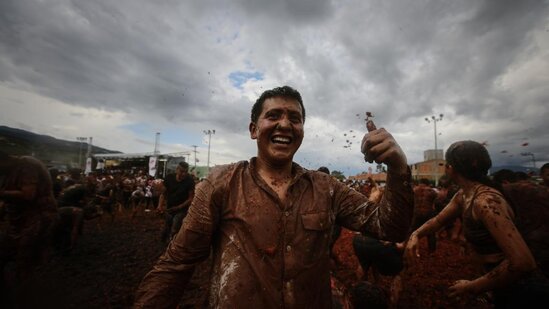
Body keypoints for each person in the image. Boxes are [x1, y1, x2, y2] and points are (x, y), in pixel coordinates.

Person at [134, 85, 413, 308]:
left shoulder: (326, 187)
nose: (285, 124)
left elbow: (389, 226)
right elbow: (176, 264)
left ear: (301, 131)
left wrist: (398, 168)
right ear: (254, 130)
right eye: (273, 116)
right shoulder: (222, 183)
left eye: (295, 118)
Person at [404, 140, 548, 308]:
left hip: (521, 290)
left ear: (450, 168)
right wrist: (417, 234)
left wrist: (472, 286)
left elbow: (522, 262)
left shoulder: (485, 202)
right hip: (500, 284)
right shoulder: (464, 194)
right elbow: (438, 220)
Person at [0, 151, 59, 308]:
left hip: (38, 217)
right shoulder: (9, 171)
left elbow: (28, 194)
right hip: (19, 221)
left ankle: (29, 300)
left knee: (24, 261)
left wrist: (1, 194)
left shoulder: (27, 165)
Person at [157, 161, 195, 242]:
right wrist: (159, 206)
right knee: (167, 224)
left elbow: (190, 198)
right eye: (182, 171)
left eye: (185, 171)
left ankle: (173, 244)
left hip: (182, 209)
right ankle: (165, 239)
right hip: (170, 207)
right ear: (177, 170)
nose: (184, 174)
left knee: (175, 224)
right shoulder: (169, 178)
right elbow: (163, 194)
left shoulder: (190, 181)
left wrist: (178, 207)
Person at [411, 178, 438, 252]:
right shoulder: (431, 191)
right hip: (428, 214)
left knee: (412, 232)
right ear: (427, 184)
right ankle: (432, 250)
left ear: (420, 182)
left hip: (417, 214)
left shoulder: (414, 190)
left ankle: (411, 247)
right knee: (431, 232)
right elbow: (438, 199)